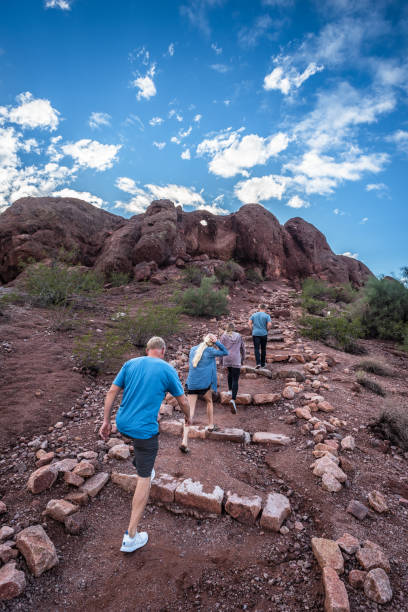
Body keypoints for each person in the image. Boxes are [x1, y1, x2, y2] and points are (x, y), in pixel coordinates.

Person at [99, 336, 190, 553]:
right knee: (144, 476)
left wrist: (106, 421)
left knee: (140, 448)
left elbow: (112, 392)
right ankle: (131, 536)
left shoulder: (130, 364)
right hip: (143, 430)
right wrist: (188, 418)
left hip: (122, 423)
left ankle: (142, 466)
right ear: (163, 350)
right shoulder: (167, 369)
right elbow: (183, 400)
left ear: (148, 349)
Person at [179, 333, 228, 453]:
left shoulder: (192, 349)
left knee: (189, 412)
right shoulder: (211, 351)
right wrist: (217, 342)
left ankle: (184, 441)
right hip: (204, 385)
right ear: (211, 343)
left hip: (192, 384)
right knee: (209, 401)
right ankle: (210, 425)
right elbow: (225, 352)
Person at [219, 323, 246, 414]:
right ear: (234, 329)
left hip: (227, 357)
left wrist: (221, 361)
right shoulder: (239, 336)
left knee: (230, 373)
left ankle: (230, 390)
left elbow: (220, 349)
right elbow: (242, 348)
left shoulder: (223, 336)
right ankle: (233, 399)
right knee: (235, 378)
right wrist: (242, 359)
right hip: (236, 358)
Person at [248, 303, 272, 369]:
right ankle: (263, 364)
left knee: (256, 348)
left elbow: (249, 323)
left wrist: (252, 330)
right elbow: (269, 325)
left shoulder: (254, 315)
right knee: (263, 349)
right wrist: (267, 330)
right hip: (264, 333)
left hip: (255, 334)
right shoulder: (267, 316)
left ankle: (258, 363)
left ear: (259, 308)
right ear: (265, 308)